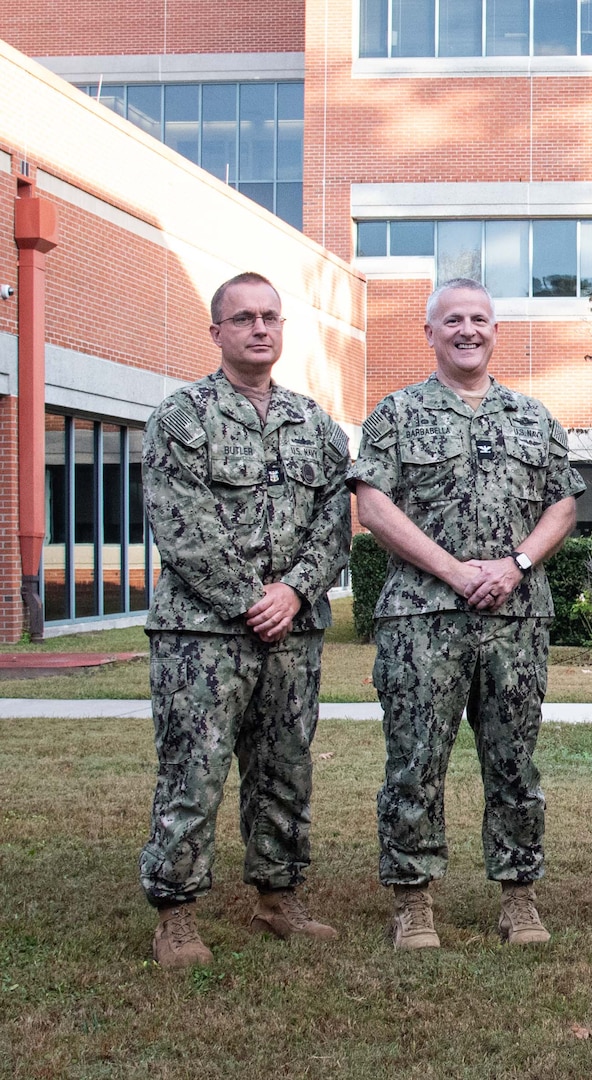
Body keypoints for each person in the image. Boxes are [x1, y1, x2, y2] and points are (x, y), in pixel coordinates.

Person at [349, 278, 582, 951]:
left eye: (480, 319)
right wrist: (452, 571)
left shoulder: (534, 418)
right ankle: (414, 901)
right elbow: (373, 505)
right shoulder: (395, 414)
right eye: (452, 320)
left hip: (515, 620)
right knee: (415, 761)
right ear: (430, 333)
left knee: (514, 762)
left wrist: (516, 565)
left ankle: (518, 896)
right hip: (423, 621)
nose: (468, 330)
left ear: (495, 331)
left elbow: (562, 505)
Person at [139, 271, 351, 968]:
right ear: (217, 332)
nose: (260, 328)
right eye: (244, 318)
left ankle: (278, 897)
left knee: (285, 769)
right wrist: (248, 598)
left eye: (270, 317)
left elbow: (333, 521)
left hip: (292, 632)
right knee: (193, 771)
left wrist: (293, 591)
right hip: (202, 635)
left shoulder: (314, 423)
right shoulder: (181, 417)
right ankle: (175, 911)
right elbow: (182, 524)